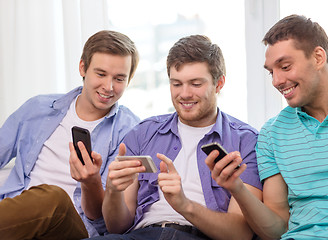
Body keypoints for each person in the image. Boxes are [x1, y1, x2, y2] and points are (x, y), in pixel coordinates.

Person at [88, 35, 263, 240]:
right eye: (176, 84)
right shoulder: (143, 133)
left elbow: (239, 234)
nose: (185, 94)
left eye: (195, 84)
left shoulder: (246, 141)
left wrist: (184, 205)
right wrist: (113, 191)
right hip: (141, 235)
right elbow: (116, 226)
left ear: (219, 83)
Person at [205, 14, 328, 240]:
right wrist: (236, 188)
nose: (276, 80)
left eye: (285, 67)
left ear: (318, 57)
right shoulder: (272, 133)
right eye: (271, 72)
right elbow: (277, 229)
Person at [0, 30, 140, 239]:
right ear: (82, 67)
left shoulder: (130, 132)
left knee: (53, 197)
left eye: (119, 78)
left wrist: (90, 182)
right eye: (101, 74)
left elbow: (105, 222)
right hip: (17, 223)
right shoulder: (38, 108)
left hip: (73, 228)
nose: (108, 87)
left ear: (129, 79)